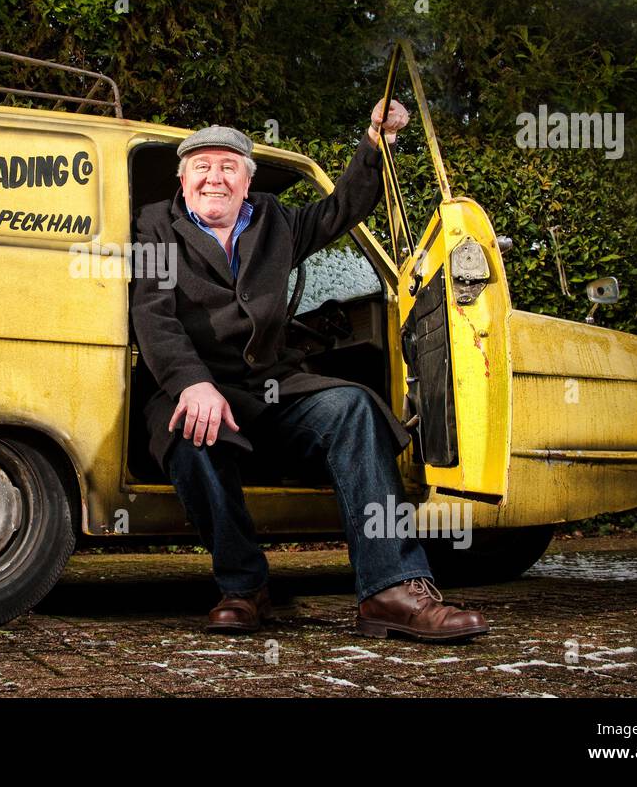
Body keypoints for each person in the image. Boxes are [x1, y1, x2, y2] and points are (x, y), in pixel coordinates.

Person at [129, 103, 488, 641]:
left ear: (247, 181)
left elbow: (344, 208)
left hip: (273, 388)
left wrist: (375, 142)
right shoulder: (153, 224)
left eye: (229, 166)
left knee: (355, 407)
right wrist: (191, 383)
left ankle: (391, 589)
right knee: (190, 438)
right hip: (197, 384)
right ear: (183, 179)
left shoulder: (276, 220)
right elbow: (151, 315)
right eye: (201, 165)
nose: (214, 177)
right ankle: (244, 587)